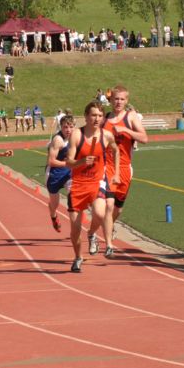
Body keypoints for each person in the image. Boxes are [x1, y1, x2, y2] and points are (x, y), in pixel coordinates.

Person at [66, 102, 120, 272]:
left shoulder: (106, 135)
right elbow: (68, 162)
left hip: (97, 182)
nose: (96, 119)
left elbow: (116, 150)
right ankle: (78, 257)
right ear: (86, 116)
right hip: (78, 185)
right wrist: (81, 161)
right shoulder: (76, 135)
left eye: (99, 115)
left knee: (100, 212)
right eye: (93, 115)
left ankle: (99, 239)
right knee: (75, 231)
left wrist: (116, 172)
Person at [102, 85, 148, 238]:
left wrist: (126, 131)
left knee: (118, 208)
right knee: (108, 205)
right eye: (116, 99)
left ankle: (109, 224)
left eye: (122, 99)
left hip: (124, 167)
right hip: (106, 166)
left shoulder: (130, 117)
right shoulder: (105, 118)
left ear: (126, 100)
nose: (119, 102)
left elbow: (145, 139)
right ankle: (103, 235)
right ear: (111, 100)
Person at [46, 115, 74, 232]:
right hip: (54, 174)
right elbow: (51, 161)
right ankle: (53, 216)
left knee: (73, 198)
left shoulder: (74, 137)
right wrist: (68, 164)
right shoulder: (58, 140)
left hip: (68, 174)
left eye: (71, 127)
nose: (68, 130)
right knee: (55, 204)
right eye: (65, 127)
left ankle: (75, 228)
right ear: (61, 128)